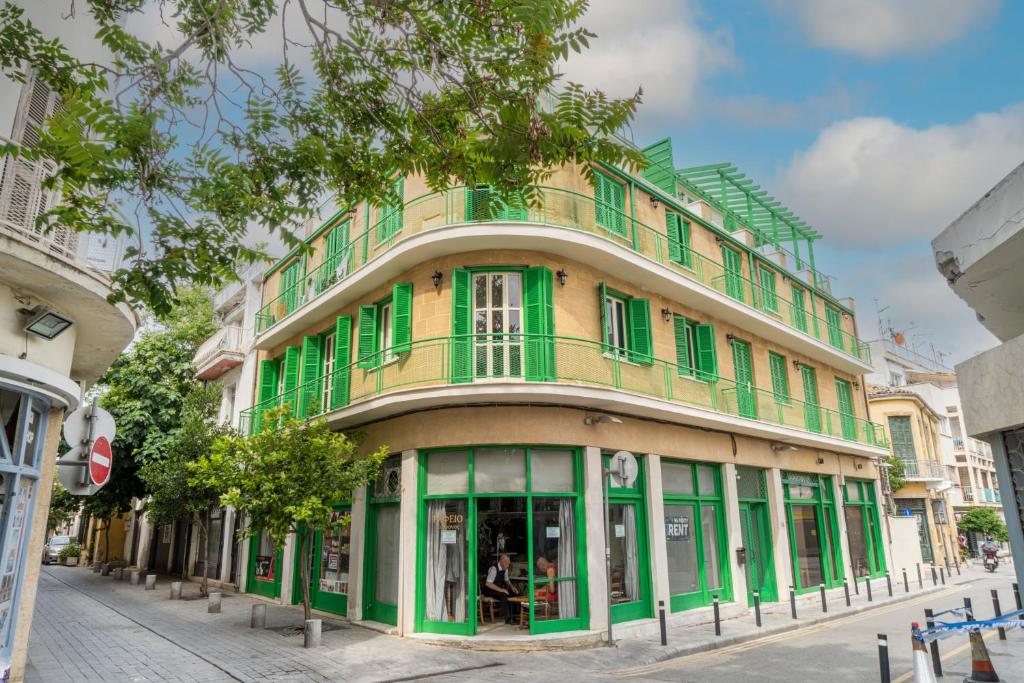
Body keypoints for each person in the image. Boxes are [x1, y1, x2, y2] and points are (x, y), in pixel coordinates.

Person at [483, 553, 519, 624]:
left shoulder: (505, 568)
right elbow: (488, 584)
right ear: (502, 561)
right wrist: (502, 590)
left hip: (498, 589)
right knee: (504, 595)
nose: (508, 565)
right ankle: (507, 618)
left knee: (514, 594)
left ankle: (514, 616)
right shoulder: (494, 569)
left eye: (509, 563)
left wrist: (512, 587)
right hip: (490, 590)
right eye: (507, 563)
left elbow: (507, 580)